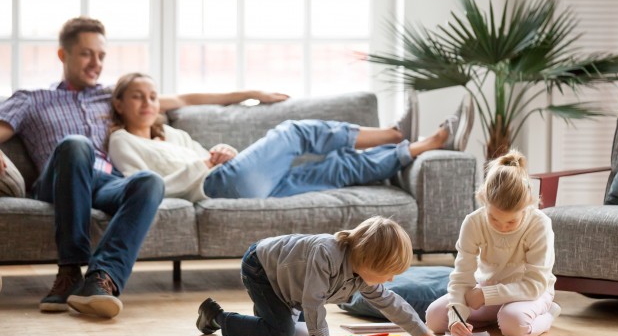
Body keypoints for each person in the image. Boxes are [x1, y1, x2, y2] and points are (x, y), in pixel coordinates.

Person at [0, 17, 287, 318]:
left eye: (101, 55)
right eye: (86, 54)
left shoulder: (110, 96)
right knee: (76, 144)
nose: (95, 63)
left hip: (104, 181)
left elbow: (184, 99)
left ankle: (101, 280)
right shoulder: (32, 100)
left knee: (148, 181)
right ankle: (69, 270)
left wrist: (252, 93)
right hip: (59, 180)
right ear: (63, 55)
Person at [106, 73, 469, 201]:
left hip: (236, 179)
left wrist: (223, 151)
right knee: (294, 132)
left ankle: (422, 145)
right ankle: (393, 132)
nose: (148, 103)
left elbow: (208, 154)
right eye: (137, 96)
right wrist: (204, 165)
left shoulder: (171, 133)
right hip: (216, 186)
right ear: (119, 104)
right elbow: (142, 187)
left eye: (153, 96)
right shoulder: (122, 141)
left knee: (336, 169)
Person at [196, 216, 460, 336]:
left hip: (289, 282)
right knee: (282, 334)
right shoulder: (326, 253)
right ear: (368, 261)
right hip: (262, 268)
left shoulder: (363, 274)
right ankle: (217, 317)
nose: (390, 280)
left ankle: (269, 316)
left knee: (297, 335)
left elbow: (392, 304)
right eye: (387, 273)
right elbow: (313, 300)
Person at [425, 149, 559, 336]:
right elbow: (462, 277)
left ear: (527, 206)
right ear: (483, 201)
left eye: (511, 222)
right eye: (494, 219)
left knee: (514, 324)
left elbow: (534, 285)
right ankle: (495, 318)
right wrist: (456, 318)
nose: (502, 227)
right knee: (434, 318)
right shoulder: (473, 222)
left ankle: (546, 316)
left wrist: (485, 295)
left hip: (530, 293)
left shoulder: (540, 224)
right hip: (487, 290)